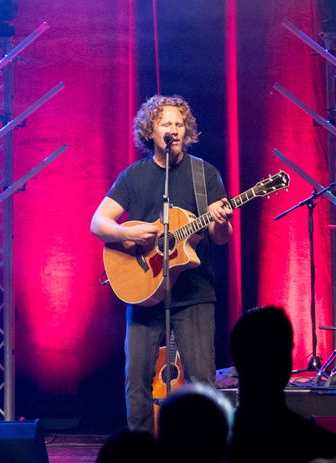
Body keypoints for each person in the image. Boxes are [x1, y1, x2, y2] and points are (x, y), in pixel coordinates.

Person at [91, 95, 231, 432]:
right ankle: (140, 457)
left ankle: (204, 456)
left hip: (195, 291)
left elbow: (220, 237)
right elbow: (98, 224)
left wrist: (221, 220)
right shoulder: (134, 176)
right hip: (143, 289)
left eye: (179, 124)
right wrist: (135, 234)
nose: (174, 130)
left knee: (202, 382)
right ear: (150, 131)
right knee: (136, 379)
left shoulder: (204, 174)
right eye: (166, 124)